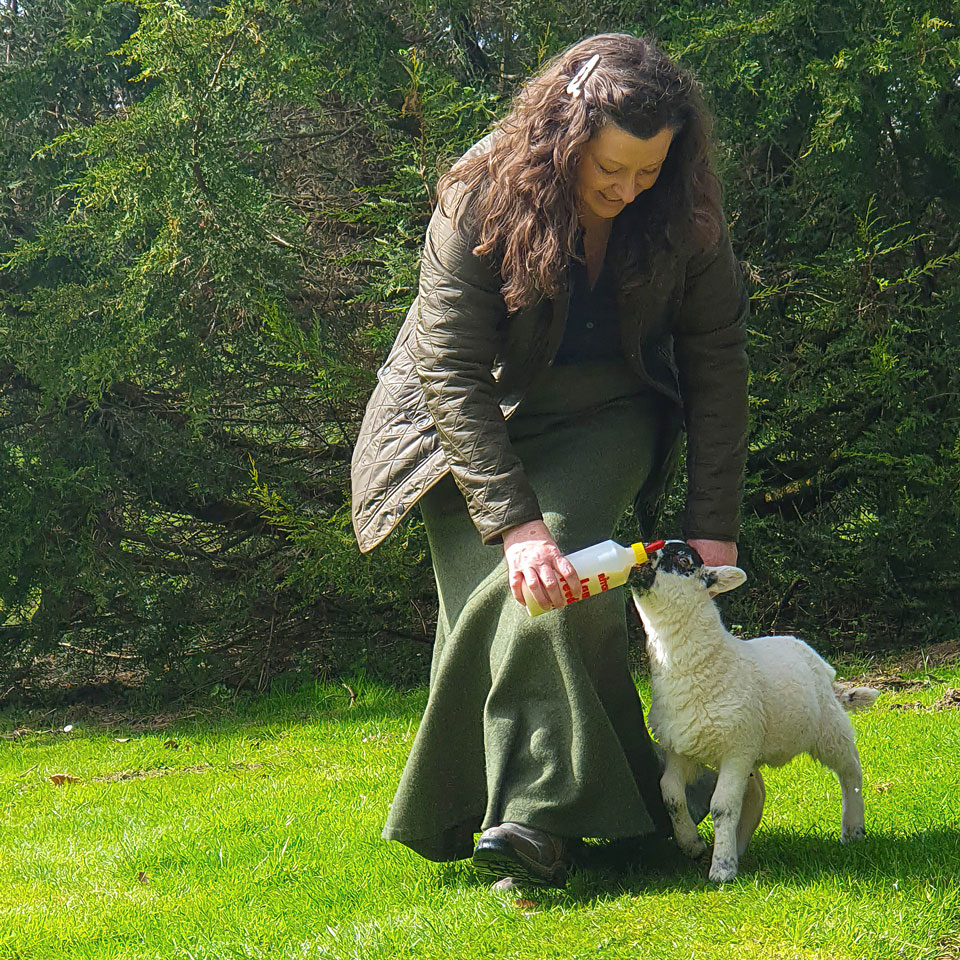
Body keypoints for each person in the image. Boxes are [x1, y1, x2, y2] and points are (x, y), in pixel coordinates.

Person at [350, 33, 759, 887]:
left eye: (646, 172)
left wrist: (711, 530)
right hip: (465, 427)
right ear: (564, 137)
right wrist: (513, 523)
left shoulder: (686, 210)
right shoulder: (479, 191)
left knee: (563, 570)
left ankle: (532, 824)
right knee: (509, 593)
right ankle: (627, 811)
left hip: (608, 412)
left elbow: (717, 363)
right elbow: (449, 367)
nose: (627, 189)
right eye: (609, 169)